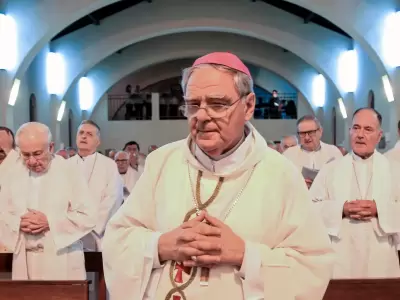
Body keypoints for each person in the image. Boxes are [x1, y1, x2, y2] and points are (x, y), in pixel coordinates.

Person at [102, 52, 334, 300]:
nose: (201, 116)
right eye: (193, 104)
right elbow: (117, 241)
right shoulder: (162, 163)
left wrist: (245, 255)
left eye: (217, 104)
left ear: (248, 106)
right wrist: (159, 246)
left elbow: (312, 267)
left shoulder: (281, 173)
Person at [310, 108, 400, 278]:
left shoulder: (394, 170)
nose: (360, 134)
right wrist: (340, 209)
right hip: (341, 255)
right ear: (350, 131)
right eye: (356, 128)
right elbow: (309, 209)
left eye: (368, 129)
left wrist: (379, 209)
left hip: (381, 255)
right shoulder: (331, 169)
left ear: (379, 136)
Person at [0, 122, 96, 279]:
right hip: (24, 259)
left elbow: (88, 216)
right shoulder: (12, 174)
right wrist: (17, 222)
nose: (31, 161)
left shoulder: (69, 172)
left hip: (61, 259)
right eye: (25, 154)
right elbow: (2, 212)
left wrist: (50, 222)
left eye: (37, 153)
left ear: (51, 147)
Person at [69, 120, 123, 251]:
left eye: (89, 134)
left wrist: (92, 226)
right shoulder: (65, 165)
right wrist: (72, 224)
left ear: (98, 141)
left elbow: (113, 198)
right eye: (81, 133)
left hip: (97, 232)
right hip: (70, 233)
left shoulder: (108, 165)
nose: (83, 136)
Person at [284, 115, 342, 188]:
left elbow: (342, 178)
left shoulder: (333, 152)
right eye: (302, 133)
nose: (307, 137)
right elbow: (281, 181)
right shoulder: (289, 154)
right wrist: (299, 184)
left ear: (320, 131)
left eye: (311, 132)